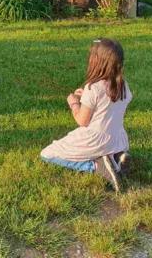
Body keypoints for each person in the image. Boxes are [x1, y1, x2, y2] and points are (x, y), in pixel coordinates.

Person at [40, 39, 133, 192]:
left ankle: (96, 166)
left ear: (97, 62)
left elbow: (82, 120)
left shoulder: (93, 88)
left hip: (95, 140)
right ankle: (116, 158)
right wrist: (87, 98)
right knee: (107, 149)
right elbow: (106, 105)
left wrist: (74, 103)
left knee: (47, 154)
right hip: (118, 139)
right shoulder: (123, 86)